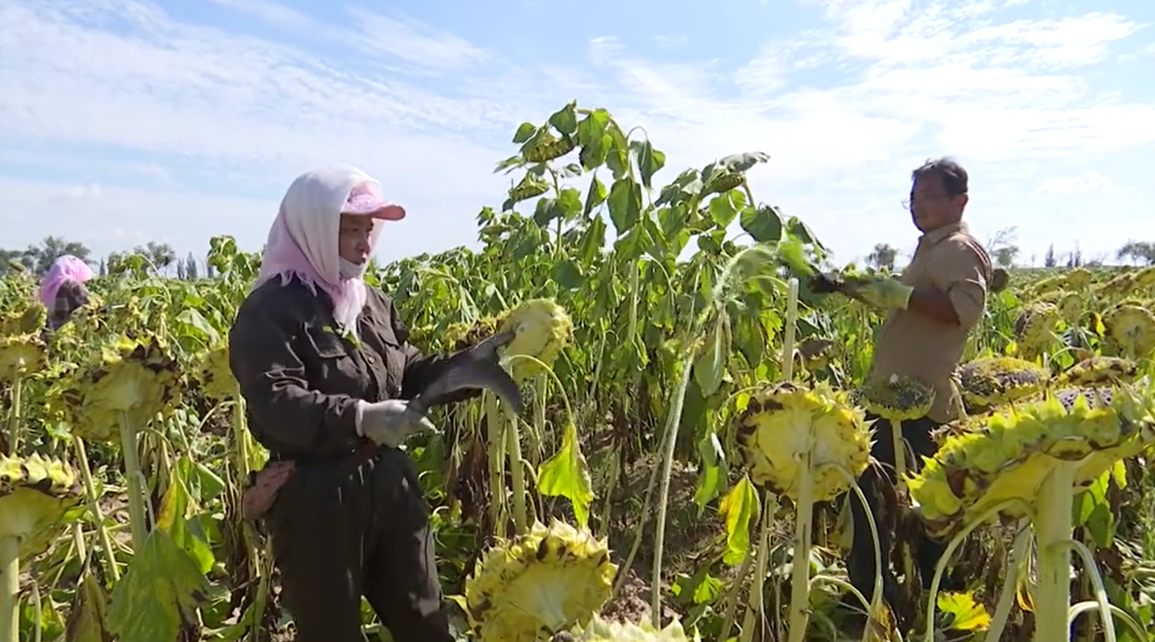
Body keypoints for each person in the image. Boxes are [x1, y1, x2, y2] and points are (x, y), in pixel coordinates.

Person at [228, 165, 514, 642]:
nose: (365, 243)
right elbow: (275, 402)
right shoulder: (271, 310)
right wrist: (359, 417)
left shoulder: (372, 304)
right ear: (314, 228)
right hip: (318, 495)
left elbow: (408, 371)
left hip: (389, 483)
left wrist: (471, 369)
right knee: (331, 631)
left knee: (426, 622)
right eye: (350, 229)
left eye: (368, 229)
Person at [824, 158, 993, 609]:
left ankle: (926, 602)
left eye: (928, 197)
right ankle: (891, 596)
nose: (917, 207)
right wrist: (852, 287)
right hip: (894, 400)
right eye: (912, 199)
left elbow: (964, 310)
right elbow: (913, 308)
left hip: (921, 406)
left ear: (960, 200)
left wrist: (900, 294)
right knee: (881, 502)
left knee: (912, 508)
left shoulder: (959, 248)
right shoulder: (930, 249)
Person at [39, 254, 94, 330]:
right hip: (69, 333)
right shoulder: (72, 285)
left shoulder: (51, 285)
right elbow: (90, 306)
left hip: (51, 333)